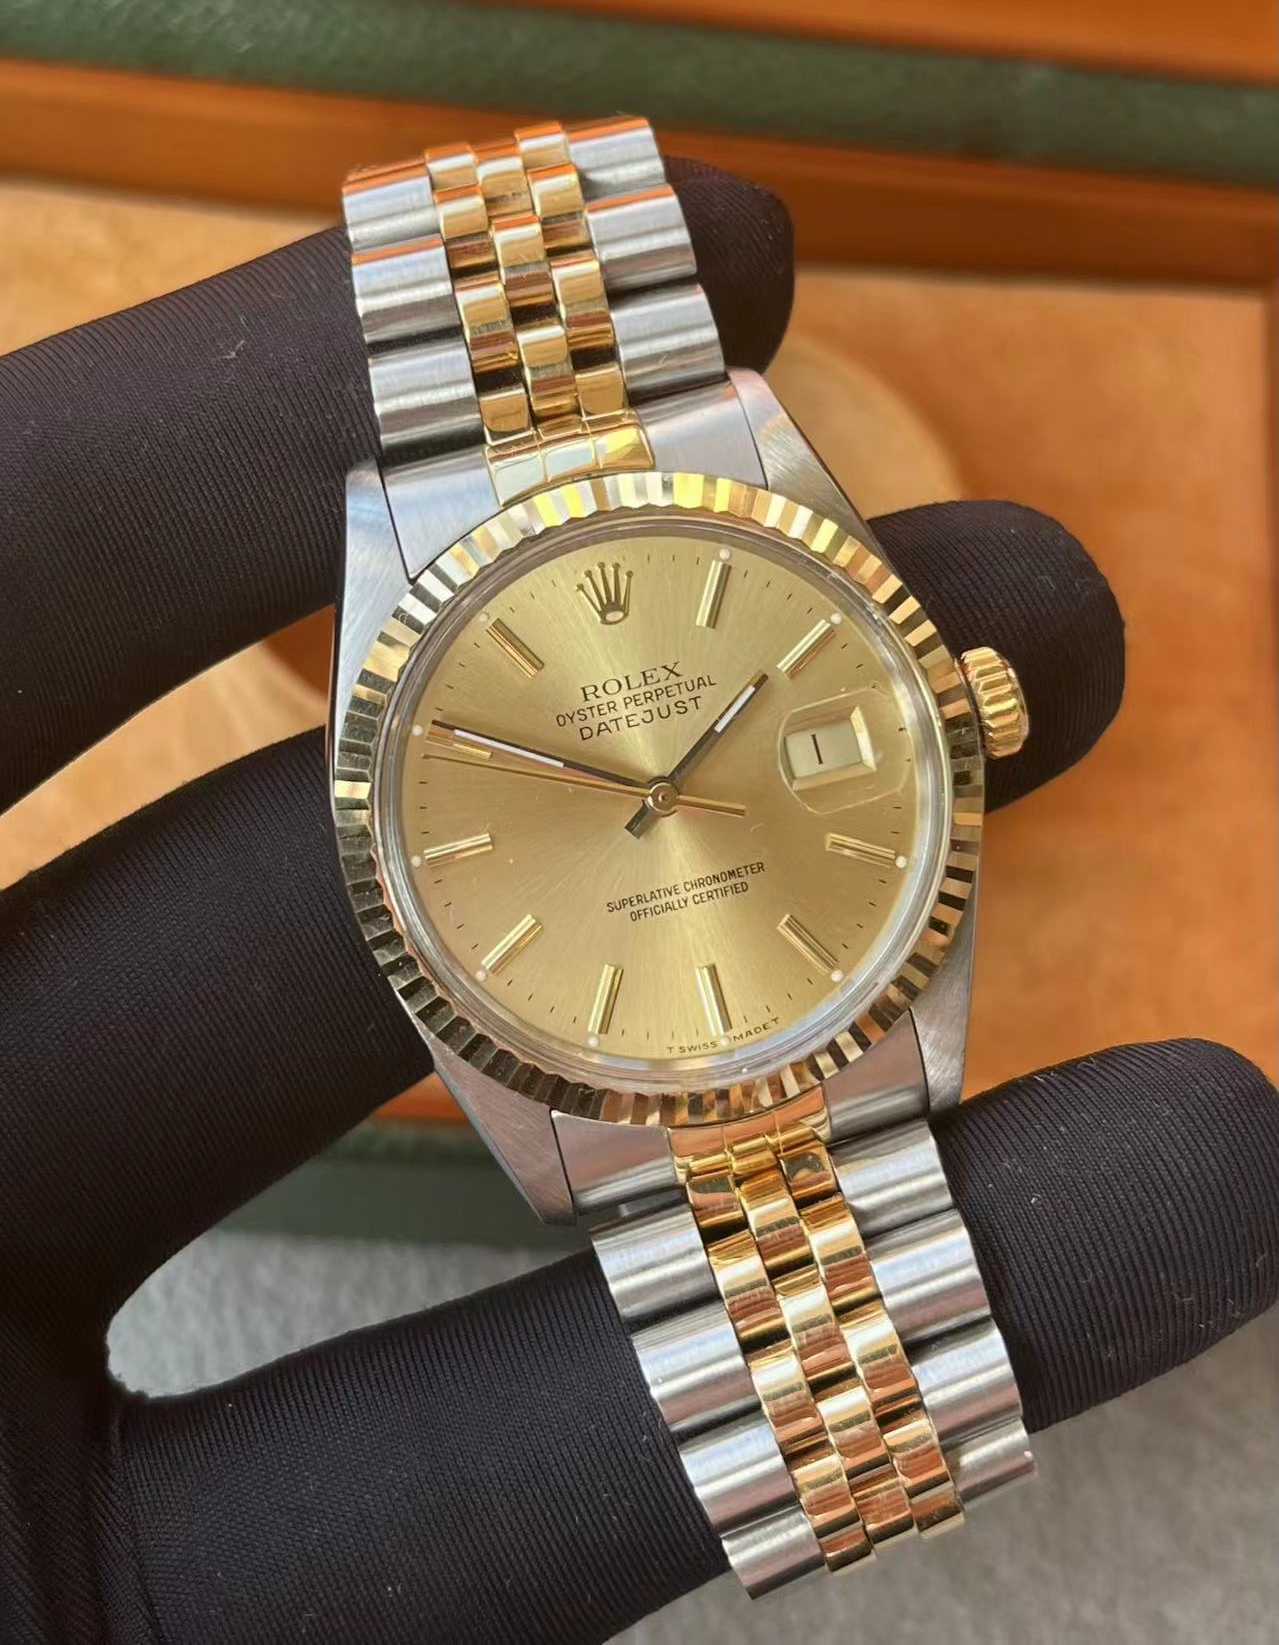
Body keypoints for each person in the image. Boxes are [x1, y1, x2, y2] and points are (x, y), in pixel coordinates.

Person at [2, 161, 1276, 1645]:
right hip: (631, 973)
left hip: (721, 951)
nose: (655, 797)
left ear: (960, 701)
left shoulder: (743, 484)